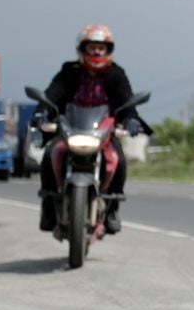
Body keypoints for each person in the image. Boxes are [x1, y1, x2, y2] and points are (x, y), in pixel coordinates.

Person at [35, 24, 150, 235]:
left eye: (102, 48)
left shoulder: (116, 74)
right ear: (82, 49)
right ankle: (48, 208)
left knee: (119, 160)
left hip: (103, 131)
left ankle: (113, 208)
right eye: (93, 47)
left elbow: (127, 100)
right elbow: (53, 94)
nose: (97, 52)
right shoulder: (69, 71)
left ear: (108, 50)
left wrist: (132, 119)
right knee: (51, 154)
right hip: (72, 127)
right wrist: (42, 112)